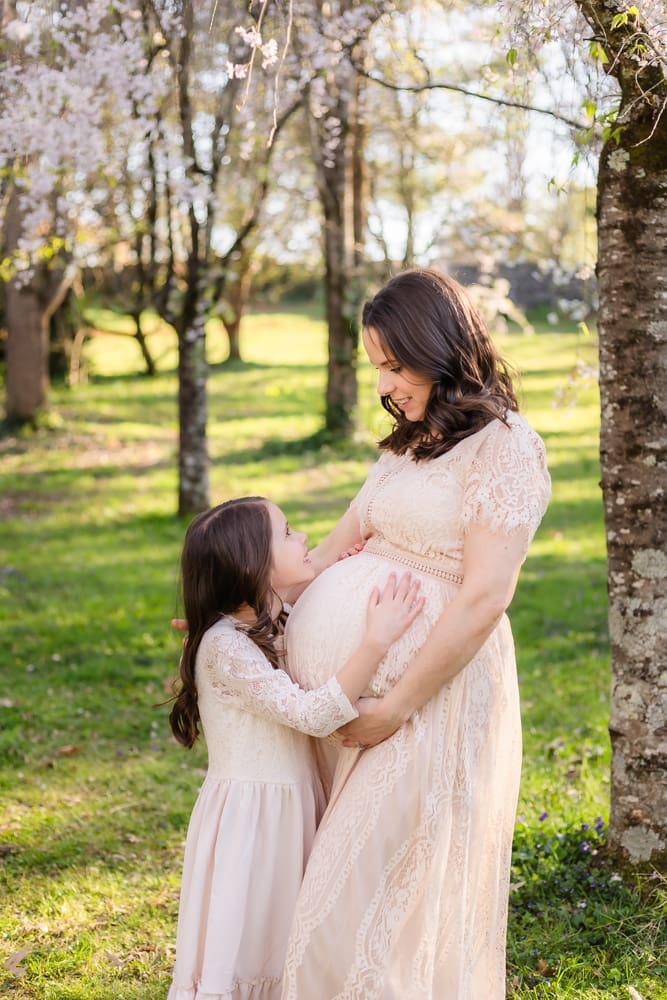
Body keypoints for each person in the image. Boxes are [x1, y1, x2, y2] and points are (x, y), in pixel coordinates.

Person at [280, 268, 552, 1000]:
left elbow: (485, 596)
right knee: (359, 901)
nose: (384, 385)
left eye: (396, 365)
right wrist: (235, 612)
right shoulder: (406, 445)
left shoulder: (506, 446)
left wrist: (394, 707)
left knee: (350, 902)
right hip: (351, 707)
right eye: (377, 367)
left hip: (427, 703)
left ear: (439, 347)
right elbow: (328, 553)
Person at [166, 496, 424, 1000]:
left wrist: (340, 576)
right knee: (253, 939)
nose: (303, 538)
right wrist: (376, 640)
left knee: (290, 933)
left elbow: (303, 627)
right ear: (251, 565)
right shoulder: (224, 647)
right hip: (254, 822)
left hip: (290, 807)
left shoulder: (270, 620)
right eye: (287, 533)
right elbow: (311, 714)